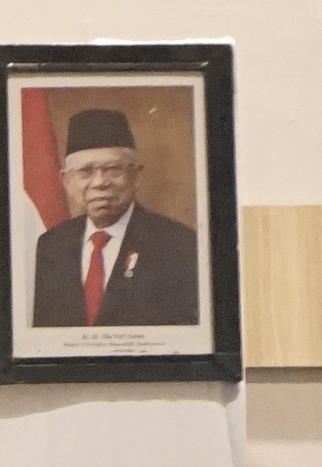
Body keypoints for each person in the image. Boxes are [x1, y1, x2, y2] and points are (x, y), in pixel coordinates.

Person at [29, 107, 201, 328]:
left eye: (112, 169)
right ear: (67, 181)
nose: (100, 182)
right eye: (86, 171)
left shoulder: (178, 245)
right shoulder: (51, 245)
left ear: (135, 176)